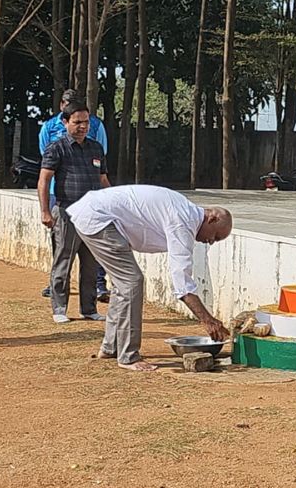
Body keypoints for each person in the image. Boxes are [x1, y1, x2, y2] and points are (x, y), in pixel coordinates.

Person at [66, 185, 232, 371]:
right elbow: (182, 284)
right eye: (215, 236)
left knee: (125, 284)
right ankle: (128, 356)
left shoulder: (185, 214)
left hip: (94, 215)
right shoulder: (182, 222)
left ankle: (110, 347)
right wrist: (207, 320)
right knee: (131, 281)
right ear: (212, 218)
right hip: (98, 218)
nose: (210, 242)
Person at [38, 102, 110, 324]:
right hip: (66, 211)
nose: (82, 127)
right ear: (65, 122)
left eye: (86, 122)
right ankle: (59, 308)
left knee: (91, 263)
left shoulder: (96, 149)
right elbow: (44, 180)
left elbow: (103, 180)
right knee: (64, 260)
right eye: (77, 122)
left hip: (93, 214)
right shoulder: (56, 148)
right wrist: (45, 211)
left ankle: (88, 308)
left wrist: (113, 207)